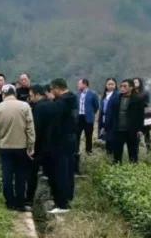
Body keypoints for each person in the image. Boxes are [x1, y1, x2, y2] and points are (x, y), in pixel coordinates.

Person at [0, 85, 35, 211]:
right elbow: (30, 129)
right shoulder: (25, 106)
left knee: (7, 175)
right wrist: (31, 145)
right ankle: (20, 203)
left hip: (4, 147)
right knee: (21, 176)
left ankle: (9, 203)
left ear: (3, 94)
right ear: (15, 93)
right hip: (21, 147)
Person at [26, 85, 58, 208]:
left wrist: (31, 146)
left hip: (39, 146)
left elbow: (36, 129)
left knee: (32, 174)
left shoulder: (38, 108)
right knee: (52, 174)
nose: (30, 97)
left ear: (37, 94)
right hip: (52, 145)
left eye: (31, 95)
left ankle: (29, 200)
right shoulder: (53, 104)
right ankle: (55, 199)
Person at [49, 79, 78, 212]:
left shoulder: (61, 103)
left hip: (61, 141)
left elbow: (55, 124)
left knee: (61, 172)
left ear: (57, 88)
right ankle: (68, 199)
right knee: (69, 171)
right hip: (72, 139)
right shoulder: (73, 99)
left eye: (52, 89)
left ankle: (61, 204)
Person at [106, 79, 145, 163]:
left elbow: (141, 116)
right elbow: (111, 114)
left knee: (133, 155)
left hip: (132, 131)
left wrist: (140, 129)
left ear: (131, 87)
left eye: (125, 86)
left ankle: (133, 171)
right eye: (121, 86)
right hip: (118, 130)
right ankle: (117, 170)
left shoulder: (138, 99)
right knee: (117, 155)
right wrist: (108, 127)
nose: (122, 88)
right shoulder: (116, 98)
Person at [76, 79, 99, 156]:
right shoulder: (77, 94)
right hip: (79, 117)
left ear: (85, 84)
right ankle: (76, 150)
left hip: (88, 118)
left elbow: (96, 106)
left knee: (88, 135)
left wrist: (91, 113)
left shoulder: (93, 94)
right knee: (77, 134)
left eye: (79, 84)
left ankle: (88, 151)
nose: (78, 85)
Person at [133, 78, 151, 153]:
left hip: (144, 114)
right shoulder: (132, 92)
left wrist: (149, 117)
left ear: (140, 83)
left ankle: (149, 149)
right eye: (134, 82)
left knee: (147, 132)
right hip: (135, 115)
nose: (135, 83)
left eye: (136, 82)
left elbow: (147, 104)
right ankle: (136, 150)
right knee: (136, 132)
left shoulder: (145, 92)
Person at [97, 78, 118, 153]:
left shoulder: (117, 95)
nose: (111, 86)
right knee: (106, 141)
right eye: (109, 84)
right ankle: (108, 157)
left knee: (112, 140)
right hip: (103, 120)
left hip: (112, 121)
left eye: (112, 84)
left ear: (115, 85)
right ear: (106, 85)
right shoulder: (104, 96)